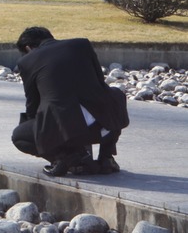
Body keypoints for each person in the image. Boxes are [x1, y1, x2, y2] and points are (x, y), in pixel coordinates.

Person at [11, 26, 129, 177]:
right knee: (114, 95)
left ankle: (68, 159)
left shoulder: (27, 61)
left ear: (28, 48)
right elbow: (100, 82)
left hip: (68, 132)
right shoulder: (81, 44)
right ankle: (106, 158)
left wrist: (35, 128)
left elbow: (32, 104)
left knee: (19, 136)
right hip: (104, 126)